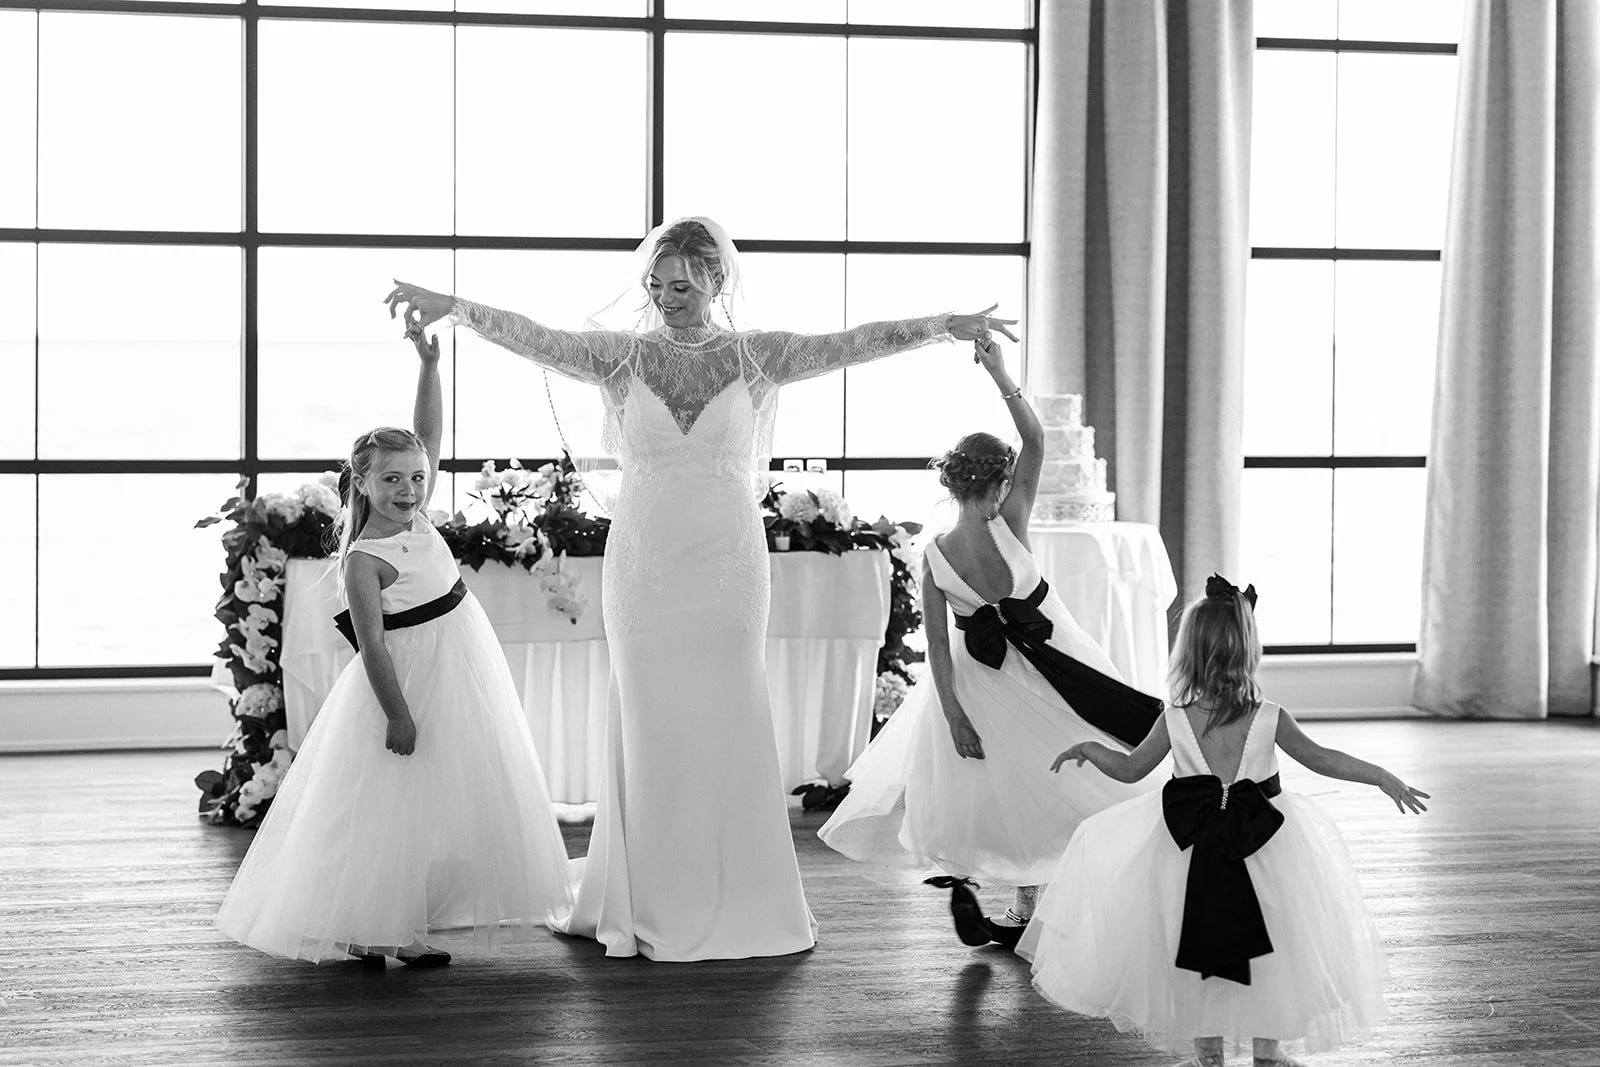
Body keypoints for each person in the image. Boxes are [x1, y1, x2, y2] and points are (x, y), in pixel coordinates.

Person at [383, 216, 1017, 961]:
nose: (667, 298)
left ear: (717, 281)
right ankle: (648, 888)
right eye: (656, 286)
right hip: (646, 564)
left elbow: (855, 342)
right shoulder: (622, 356)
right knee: (651, 715)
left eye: (682, 285)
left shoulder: (757, 356)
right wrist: (454, 304)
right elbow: (535, 336)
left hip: (727, 564)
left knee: (727, 710)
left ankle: (743, 889)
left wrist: (946, 325)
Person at [215, 328, 573, 967]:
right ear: (362, 483)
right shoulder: (365, 558)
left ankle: (395, 920)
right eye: (391, 480)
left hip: (459, 668)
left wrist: (429, 367)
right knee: (391, 806)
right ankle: (379, 928)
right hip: (405, 683)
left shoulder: (420, 517)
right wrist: (399, 714)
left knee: (432, 803)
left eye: (416, 478)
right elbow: (373, 647)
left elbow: (428, 434)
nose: (408, 489)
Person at [817, 337, 1164, 948]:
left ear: (951, 483)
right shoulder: (1014, 519)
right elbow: (1038, 441)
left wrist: (953, 715)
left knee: (1000, 789)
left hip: (980, 688)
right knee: (1064, 777)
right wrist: (1002, 375)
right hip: (1060, 670)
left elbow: (938, 647)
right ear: (1002, 483)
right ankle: (1041, 905)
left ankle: (1007, 898)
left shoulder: (935, 555)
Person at [1020, 577, 1429, 1066]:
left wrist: (1090, 749)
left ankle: (1208, 1056)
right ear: (1248, 649)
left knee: (1193, 946)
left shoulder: (1174, 718)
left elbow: (1130, 770)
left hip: (1189, 855)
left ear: (1188, 653)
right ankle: (1268, 1055)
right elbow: (1323, 759)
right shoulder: (1271, 716)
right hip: (1267, 852)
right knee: (1274, 947)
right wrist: (1381, 776)